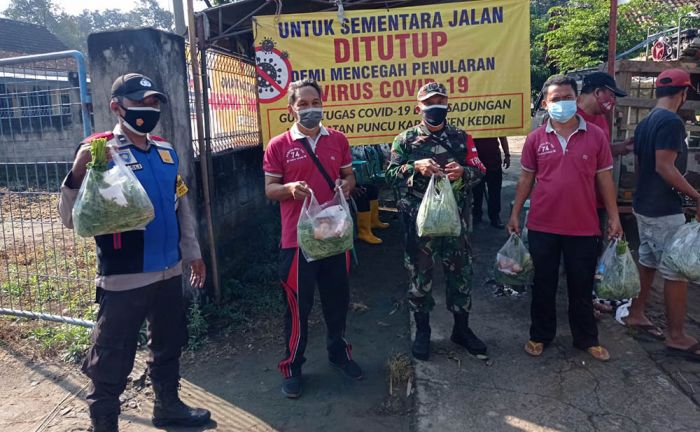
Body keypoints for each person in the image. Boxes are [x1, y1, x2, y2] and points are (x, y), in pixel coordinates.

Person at [58, 73, 210, 432]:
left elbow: (181, 207)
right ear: (117, 107)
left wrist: (193, 253)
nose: (149, 109)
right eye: (141, 102)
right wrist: (79, 171)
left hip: (169, 271)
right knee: (111, 355)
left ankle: (168, 408)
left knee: (169, 344)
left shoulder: (165, 151)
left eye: (154, 102)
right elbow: (69, 219)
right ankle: (105, 423)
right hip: (124, 276)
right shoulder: (99, 151)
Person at [507, 75, 623, 362]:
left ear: (577, 98)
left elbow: (605, 178)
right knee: (544, 284)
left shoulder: (595, 136)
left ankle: (586, 339)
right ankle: (540, 335)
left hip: (583, 226)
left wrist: (614, 216)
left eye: (567, 97)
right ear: (546, 104)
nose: (562, 103)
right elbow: (525, 178)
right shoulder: (536, 139)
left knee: (581, 285)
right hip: (542, 224)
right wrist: (514, 214)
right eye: (556, 99)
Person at [263, 79, 362, 399]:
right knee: (297, 308)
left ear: (323, 102)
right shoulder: (278, 145)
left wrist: (348, 184)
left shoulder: (338, 140)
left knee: (337, 301)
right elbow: (270, 189)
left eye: (313, 102)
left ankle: (338, 354)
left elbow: (349, 175)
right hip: (297, 241)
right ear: (290, 108)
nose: (309, 108)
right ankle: (292, 366)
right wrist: (289, 190)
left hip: (334, 237)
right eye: (302, 104)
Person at [386, 82, 488, 362]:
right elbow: (390, 174)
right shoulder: (405, 140)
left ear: (448, 104)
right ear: (418, 107)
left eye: (441, 100)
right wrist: (413, 167)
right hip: (420, 224)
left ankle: (462, 329)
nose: (436, 106)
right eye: (429, 101)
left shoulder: (461, 137)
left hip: (455, 221)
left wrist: (464, 172)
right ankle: (422, 331)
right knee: (421, 276)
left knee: (460, 273)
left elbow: (480, 170)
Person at [623, 68, 700, 358]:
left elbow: (642, 166)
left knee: (649, 260)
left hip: (644, 204)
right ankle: (677, 335)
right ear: (683, 93)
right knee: (676, 272)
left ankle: (637, 313)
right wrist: (695, 195)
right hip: (662, 209)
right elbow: (664, 167)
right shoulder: (671, 122)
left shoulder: (646, 122)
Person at [472, 136, 510, 228]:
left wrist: (507, 155)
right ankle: (476, 215)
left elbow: (502, 136)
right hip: (475, 161)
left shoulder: (494, 124)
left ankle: (494, 216)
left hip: (493, 160)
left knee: (495, 191)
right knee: (476, 191)